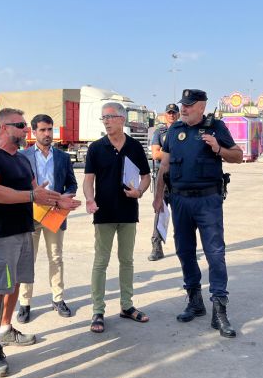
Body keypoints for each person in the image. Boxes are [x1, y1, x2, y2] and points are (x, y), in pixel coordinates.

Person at [0, 108, 81, 378]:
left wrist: (59, 201)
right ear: (2, 128)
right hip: (0, 233)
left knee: (15, 284)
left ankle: (7, 329)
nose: (25, 130)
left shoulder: (22, 161)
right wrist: (33, 195)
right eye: (20, 125)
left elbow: (39, 192)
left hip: (23, 231)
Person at [153, 89, 243, 338]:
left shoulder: (217, 127)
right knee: (184, 251)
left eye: (190, 105)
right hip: (180, 200)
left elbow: (238, 156)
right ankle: (195, 300)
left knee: (215, 254)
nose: (184, 108)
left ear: (202, 106)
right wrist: (158, 196)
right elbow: (165, 165)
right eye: (183, 104)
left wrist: (218, 149)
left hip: (208, 201)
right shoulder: (173, 130)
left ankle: (219, 310)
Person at [83, 102, 151, 333]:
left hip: (128, 213)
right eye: (104, 118)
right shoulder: (96, 148)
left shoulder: (134, 147)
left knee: (127, 260)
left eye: (110, 117)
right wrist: (90, 199)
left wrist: (139, 192)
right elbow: (88, 179)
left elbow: (146, 176)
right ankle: (98, 310)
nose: (107, 121)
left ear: (122, 119)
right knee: (101, 262)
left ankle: (127, 306)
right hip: (103, 214)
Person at [17, 114, 78, 323]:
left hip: (55, 214)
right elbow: (17, 185)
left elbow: (72, 184)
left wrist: (64, 198)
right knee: (27, 260)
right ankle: (24, 303)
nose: (47, 134)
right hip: (31, 214)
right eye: (42, 130)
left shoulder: (62, 157)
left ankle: (58, 298)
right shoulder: (23, 157)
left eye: (50, 130)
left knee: (56, 257)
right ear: (34, 132)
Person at [148, 103, 180, 261]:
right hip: (164, 177)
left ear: (178, 114)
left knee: (181, 212)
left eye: (174, 112)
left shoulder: (183, 130)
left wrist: (165, 153)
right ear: (165, 115)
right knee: (160, 210)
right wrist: (176, 154)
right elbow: (155, 154)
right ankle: (156, 245)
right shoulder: (160, 132)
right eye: (169, 112)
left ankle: (182, 246)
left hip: (181, 177)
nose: (172, 115)